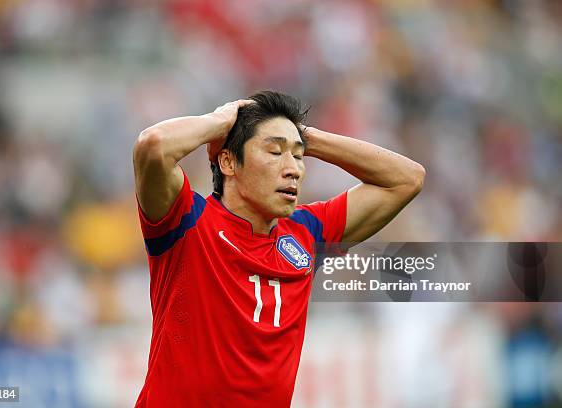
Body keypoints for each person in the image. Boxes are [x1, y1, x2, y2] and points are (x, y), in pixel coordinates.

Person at [132, 90, 425, 407]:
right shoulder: (187, 222)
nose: (294, 170)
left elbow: (407, 179)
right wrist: (221, 121)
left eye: (298, 157)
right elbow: (154, 145)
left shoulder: (306, 234)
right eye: (274, 152)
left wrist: (305, 137)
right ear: (229, 162)